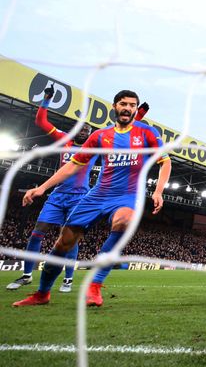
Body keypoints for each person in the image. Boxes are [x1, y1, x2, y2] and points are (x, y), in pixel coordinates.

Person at [14, 90, 171, 307]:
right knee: (63, 244)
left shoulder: (147, 132)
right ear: (115, 106)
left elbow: (165, 161)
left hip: (127, 196)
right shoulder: (99, 136)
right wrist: (42, 187)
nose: (128, 108)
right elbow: (73, 165)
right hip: (97, 195)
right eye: (123, 104)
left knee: (124, 222)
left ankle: (95, 284)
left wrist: (158, 190)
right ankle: (42, 294)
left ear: (136, 109)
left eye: (132, 105)